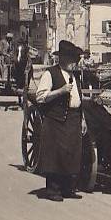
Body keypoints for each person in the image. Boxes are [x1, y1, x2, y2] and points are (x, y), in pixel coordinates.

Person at [34, 40, 87, 202]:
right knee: (55, 155)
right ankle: (53, 190)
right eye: (72, 59)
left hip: (73, 118)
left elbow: (79, 99)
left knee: (71, 154)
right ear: (62, 59)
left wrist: (82, 119)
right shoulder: (50, 74)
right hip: (56, 119)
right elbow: (40, 97)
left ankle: (68, 188)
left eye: (76, 59)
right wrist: (60, 91)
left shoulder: (74, 77)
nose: (75, 63)